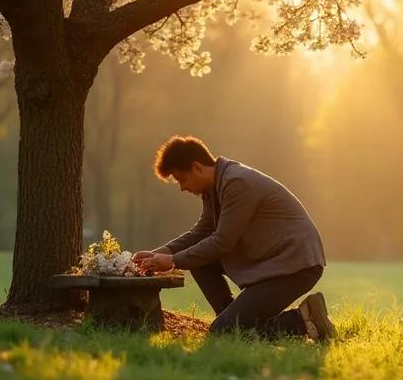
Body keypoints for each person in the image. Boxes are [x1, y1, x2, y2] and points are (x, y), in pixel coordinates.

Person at [132, 135, 335, 341]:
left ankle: (304, 318)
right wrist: (159, 254)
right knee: (202, 265)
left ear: (197, 167)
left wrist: (173, 261)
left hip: (295, 265)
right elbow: (200, 233)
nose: (182, 187)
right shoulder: (213, 188)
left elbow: (222, 241)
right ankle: (230, 317)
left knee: (223, 332)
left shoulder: (237, 183)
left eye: (182, 179)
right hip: (273, 261)